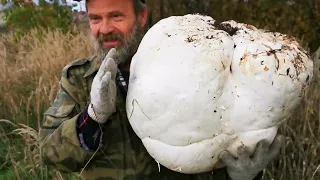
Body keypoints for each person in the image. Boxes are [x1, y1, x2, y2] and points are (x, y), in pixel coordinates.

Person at [39, 0, 284, 179]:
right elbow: (50, 155)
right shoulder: (79, 79)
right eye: (95, 19)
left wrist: (241, 176)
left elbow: (217, 143)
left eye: (116, 16)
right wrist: (92, 117)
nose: (104, 29)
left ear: (142, 16)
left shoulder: (196, 66)